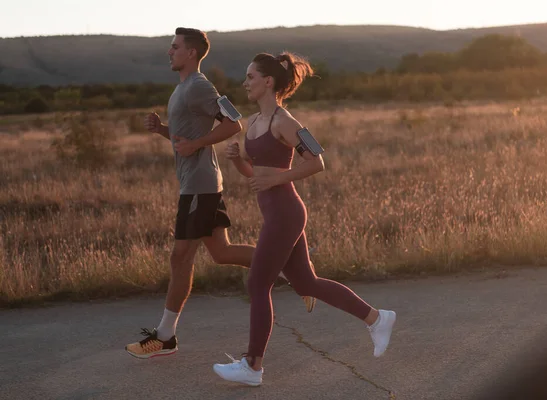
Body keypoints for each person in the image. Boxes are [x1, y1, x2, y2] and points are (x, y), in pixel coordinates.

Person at [125, 28, 316, 360]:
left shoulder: (199, 86)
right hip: (197, 185)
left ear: (193, 53)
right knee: (222, 253)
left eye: (175, 47)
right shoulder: (182, 88)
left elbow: (234, 123)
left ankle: (165, 336)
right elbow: (185, 140)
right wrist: (163, 131)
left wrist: (197, 144)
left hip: (200, 186)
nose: (169, 52)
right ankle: (287, 267)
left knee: (180, 257)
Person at [212, 51, 396, 386]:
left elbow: (317, 162)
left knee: (257, 283)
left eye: (251, 77)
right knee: (306, 283)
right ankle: (377, 318)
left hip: (286, 213)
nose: (245, 83)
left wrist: (278, 179)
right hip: (275, 210)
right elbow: (258, 175)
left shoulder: (287, 122)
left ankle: (253, 366)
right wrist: (239, 161)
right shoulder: (253, 123)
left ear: (268, 82)